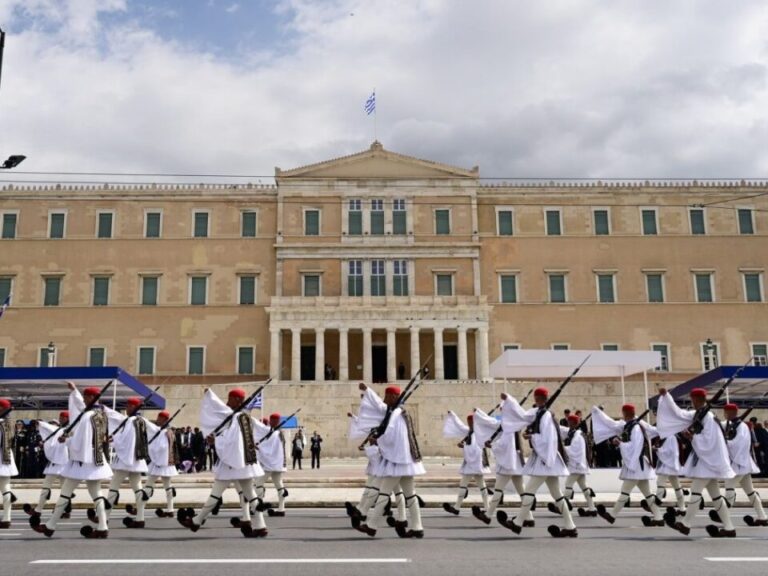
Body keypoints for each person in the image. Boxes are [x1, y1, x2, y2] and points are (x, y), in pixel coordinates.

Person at [30, 383, 121, 538]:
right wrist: (74, 391)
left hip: (82, 460)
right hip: (96, 459)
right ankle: (103, 527)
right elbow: (80, 407)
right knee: (97, 494)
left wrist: (66, 440)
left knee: (65, 493)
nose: (84, 400)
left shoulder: (87, 417)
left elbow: (79, 441)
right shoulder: (101, 414)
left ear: (91, 397)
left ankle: (50, 526)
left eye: (86, 397)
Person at [177, 388, 268, 538]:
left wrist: (215, 440)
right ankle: (261, 525)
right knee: (250, 494)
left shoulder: (236, 418)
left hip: (231, 462)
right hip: (244, 462)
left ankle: (197, 521)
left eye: (230, 398)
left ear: (236, 400)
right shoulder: (244, 417)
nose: (227, 401)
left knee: (216, 493)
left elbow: (231, 441)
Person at [494, 388, 578, 538]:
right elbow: (522, 415)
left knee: (529, 491)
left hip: (545, 460)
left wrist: (532, 437)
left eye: (536, 398)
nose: (535, 400)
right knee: (557, 495)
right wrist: (509, 399)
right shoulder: (538, 413)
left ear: (540, 399)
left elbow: (548, 440)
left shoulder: (545, 417)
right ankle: (570, 526)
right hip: (546, 460)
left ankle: (518, 523)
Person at [656, 387, 737, 538]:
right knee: (716, 497)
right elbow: (679, 414)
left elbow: (710, 440)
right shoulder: (699, 414)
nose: (691, 402)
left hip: (707, 461)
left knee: (696, 491)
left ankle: (686, 524)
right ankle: (729, 527)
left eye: (692, 400)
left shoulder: (709, 417)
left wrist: (692, 437)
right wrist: (666, 397)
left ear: (697, 400)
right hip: (704, 460)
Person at [353, 383, 425, 538]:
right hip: (405, 462)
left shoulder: (397, 414)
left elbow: (392, 436)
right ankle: (417, 527)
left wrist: (377, 440)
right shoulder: (396, 412)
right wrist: (367, 391)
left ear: (394, 397)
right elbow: (379, 406)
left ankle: (371, 526)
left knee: (384, 493)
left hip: (397, 462)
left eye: (387, 397)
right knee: (410, 495)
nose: (384, 400)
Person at [591, 404, 664, 527]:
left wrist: (620, 444)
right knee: (648, 494)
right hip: (638, 466)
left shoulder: (635, 428)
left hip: (636, 465)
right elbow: (612, 424)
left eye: (623, 413)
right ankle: (659, 517)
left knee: (625, 491)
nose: (622, 416)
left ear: (626, 413)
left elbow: (635, 446)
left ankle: (612, 515)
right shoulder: (631, 426)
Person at [470, 402, 533, 526]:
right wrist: (478, 412)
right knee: (522, 491)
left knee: (498, 490)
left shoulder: (508, 425)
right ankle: (529, 517)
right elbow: (491, 422)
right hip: (515, 462)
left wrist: (491, 445)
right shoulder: (510, 423)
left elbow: (505, 444)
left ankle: (488, 515)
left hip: (509, 462)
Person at [97, 397, 150, 529]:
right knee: (138, 489)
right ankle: (140, 518)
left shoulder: (131, 421)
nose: (126, 408)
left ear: (133, 407)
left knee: (113, 487)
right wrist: (106, 409)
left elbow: (125, 440)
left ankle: (105, 518)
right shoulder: (140, 420)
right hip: (136, 460)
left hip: (126, 460)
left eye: (128, 406)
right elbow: (118, 417)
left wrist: (112, 439)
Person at [720, 403, 767, 526]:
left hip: (739, 464)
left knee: (729, 487)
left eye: (726, 412)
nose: (725, 415)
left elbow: (739, 444)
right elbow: (720, 429)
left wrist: (725, 442)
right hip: (741, 464)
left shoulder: (742, 427)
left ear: (730, 413)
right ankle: (762, 516)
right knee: (750, 492)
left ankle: (723, 516)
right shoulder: (729, 424)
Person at [23, 412, 71, 520]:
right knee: (64, 489)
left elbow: (52, 429)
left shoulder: (66, 429)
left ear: (67, 418)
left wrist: (40, 423)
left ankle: (39, 510)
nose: (61, 419)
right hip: (59, 462)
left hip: (60, 462)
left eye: (63, 417)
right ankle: (65, 511)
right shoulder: (61, 429)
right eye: (60, 417)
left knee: (50, 487)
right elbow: (53, 436)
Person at [441, 412, 491, 515]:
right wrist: (453, 415)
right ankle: (487, 507)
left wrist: (464, 447)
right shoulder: (470, 432)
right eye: (468, 422)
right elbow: (459, 425)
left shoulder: (478, 433)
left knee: (468, 485)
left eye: (470, 422)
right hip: (472, 463)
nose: (469, 424)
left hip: (475, 463)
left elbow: (476, 450)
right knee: (479, 486)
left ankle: (457, 507)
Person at [552, 413, 597, 518]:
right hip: (579, 466)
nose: (568, 423)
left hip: (577, 465)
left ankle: (562, 508)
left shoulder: (578, 436)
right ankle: (592, 508)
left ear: (573, 423)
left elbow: (574, 450)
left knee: (568, 485)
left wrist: (562, 448)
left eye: (569, 421)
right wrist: (552, 422)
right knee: (584, 487)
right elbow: (561, 430)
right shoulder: (572, 432)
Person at [142, 410, 180, 519]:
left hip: (160, 463)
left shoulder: (164, 432)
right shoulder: (169, 431)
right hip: (166, 463)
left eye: (159, 418)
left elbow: (161, 448)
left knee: (149, 485)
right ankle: (170, 509)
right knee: (168, 487)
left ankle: (141, 507)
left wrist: (154, 455)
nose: (157, 420)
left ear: (164, 419)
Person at [253, 413, 289, 517]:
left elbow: (268, 448)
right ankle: (281, 509)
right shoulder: (278, 432)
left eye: (273, 420)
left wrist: (258, 447)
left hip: (269, 463)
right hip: (278, 464)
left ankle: (257, 507)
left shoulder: (274, 432)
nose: (271, 422)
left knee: (258, 484)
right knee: (279, 485)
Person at [0, 399, 18, 529]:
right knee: (6, 488)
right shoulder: (9, 422)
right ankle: (7, 518)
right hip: (6, 456)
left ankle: (6, 518)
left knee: (6, 489)